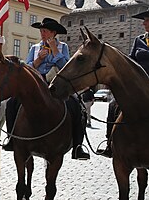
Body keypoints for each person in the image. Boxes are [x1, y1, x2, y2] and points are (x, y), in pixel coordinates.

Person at [7, 17, 89, 160]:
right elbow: (27, 68)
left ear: (53, 33)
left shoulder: (63, 47)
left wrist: (55, 51)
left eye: (45, 31)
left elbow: (66, 67)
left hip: (56, 84)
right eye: (41, 31)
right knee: (11, 103)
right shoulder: (35, 48)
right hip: (37, 85)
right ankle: (11, 138)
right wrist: (38, 59)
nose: (42, 34)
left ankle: (78, 146)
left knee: (77, 106)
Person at [101, 8, 149, 157]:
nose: (144, 23)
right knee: (113, 105)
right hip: (137, 87)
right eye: (144, 20)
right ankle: (110, 143)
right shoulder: (139, 40)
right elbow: (130, 63)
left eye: (147, 20)